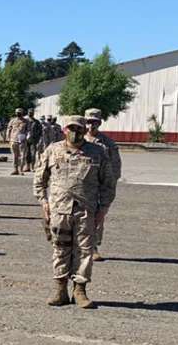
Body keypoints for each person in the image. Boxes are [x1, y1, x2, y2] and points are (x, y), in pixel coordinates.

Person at [33, 116, 117, 308]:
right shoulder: (53, 150)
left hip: (86, 211)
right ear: (64, 129)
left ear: (84, 130)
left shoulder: (98, 152)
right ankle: (60, 289)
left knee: (85, 250)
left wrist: (103, 209)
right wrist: (43, 202)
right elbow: (39, 179)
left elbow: (108, 185)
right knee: (60, 248)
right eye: (71, 128)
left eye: (79, 128)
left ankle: (80, 290)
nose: (75, 132)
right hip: (59, 210)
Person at [84, 108, 123, 261]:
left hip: (99, 185)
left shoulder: (107, 143)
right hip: (80, 185)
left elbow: (115, 166)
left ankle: (93, 247)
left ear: (99, 123)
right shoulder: (77, 140)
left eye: (94, 122)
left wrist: (110, 186)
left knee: (97, 216)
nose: (91, 126)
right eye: (88, 122)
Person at [6, 109, 29, 175]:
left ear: (22, 113)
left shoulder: (26, 121)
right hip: (13, 140)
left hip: (22, 140)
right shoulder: (12, 120)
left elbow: (29, 130)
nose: (18, 113)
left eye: (19, 112)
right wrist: (8, 137)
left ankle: (21, 169)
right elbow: (9, 129)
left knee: (22, 156)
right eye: (17, 112)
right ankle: (15, 169)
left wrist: (27, 136)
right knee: (14, 156)